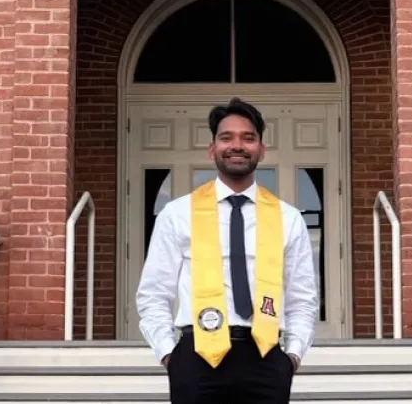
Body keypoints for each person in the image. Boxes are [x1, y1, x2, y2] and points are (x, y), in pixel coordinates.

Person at [136, 97, 319, 404]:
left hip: (265, 359)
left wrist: (292, 357)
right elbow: (154, 293)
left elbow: (303, 298)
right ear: (212, 150)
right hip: (196, 359)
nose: (237, 145)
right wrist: (170, 355)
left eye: (248, 138)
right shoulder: (178, 214)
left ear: (261, 149)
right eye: (226, 137)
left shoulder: (287, 218)